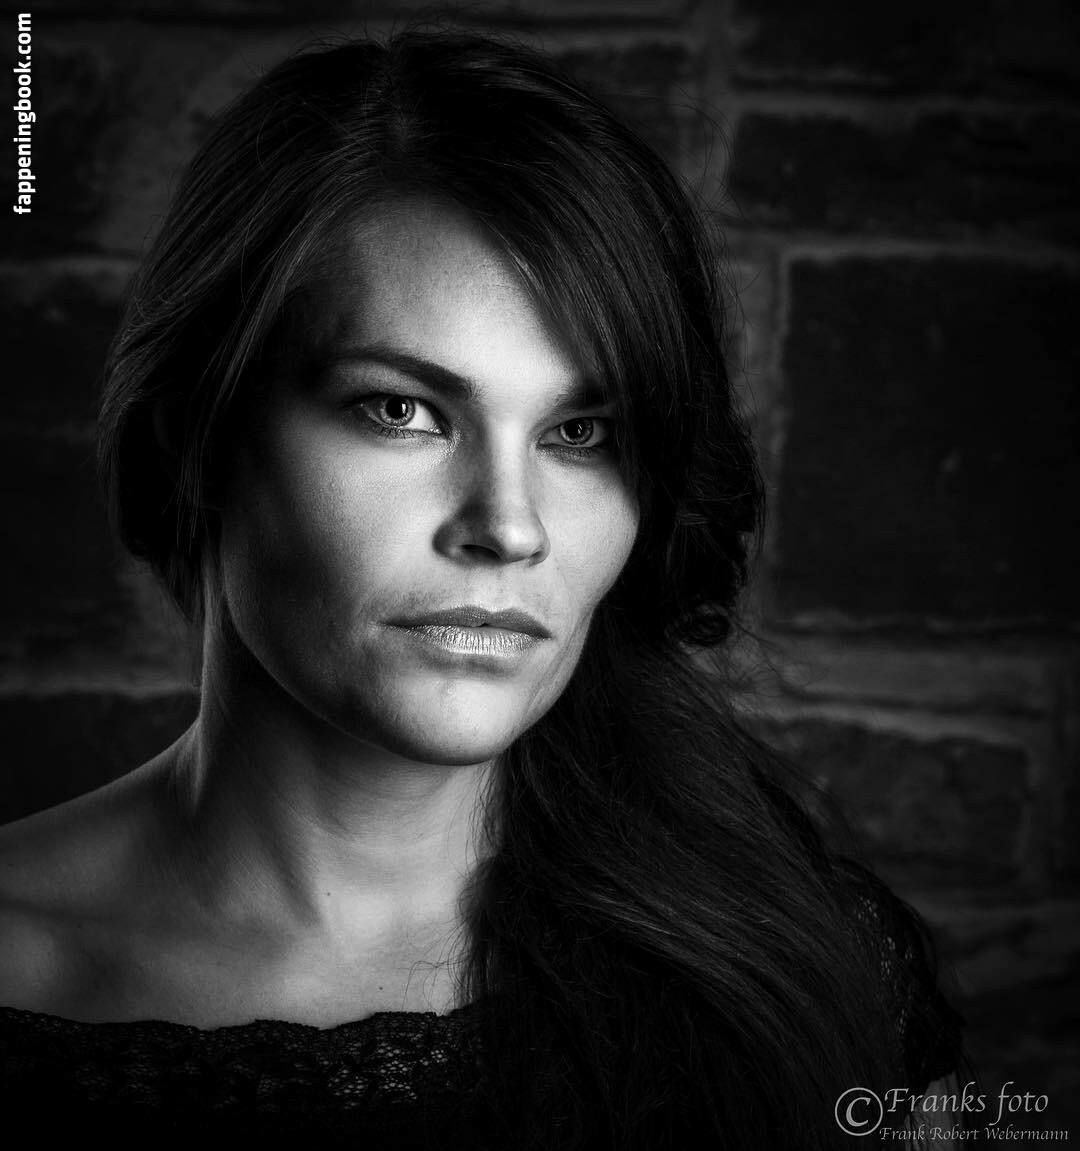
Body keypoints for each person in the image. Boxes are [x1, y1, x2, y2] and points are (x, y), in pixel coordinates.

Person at [0, 26, 965, 1148]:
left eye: (580, 432)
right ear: (197, 438)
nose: (509, 526)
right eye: (401, 409)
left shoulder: (818, 971)